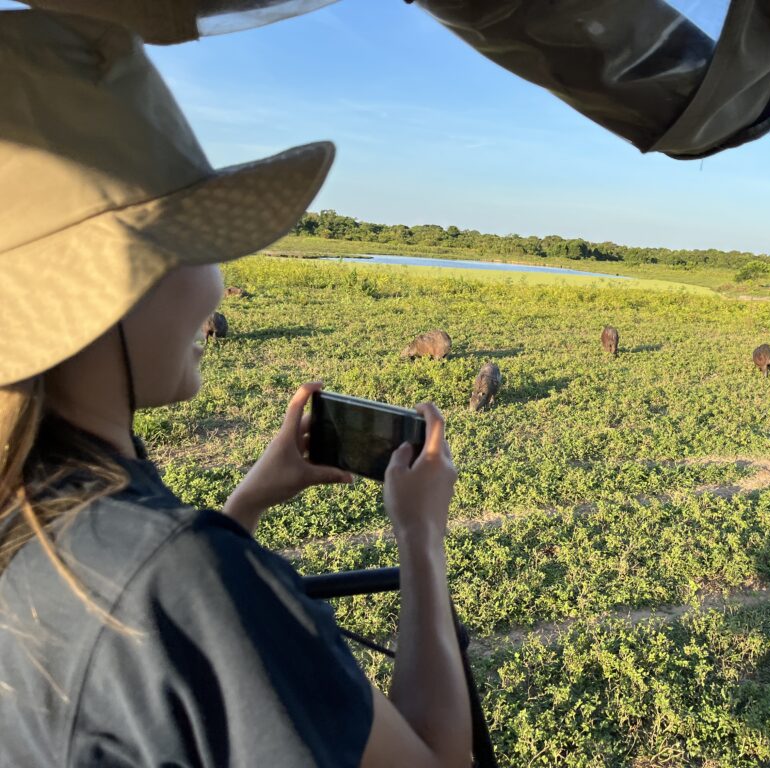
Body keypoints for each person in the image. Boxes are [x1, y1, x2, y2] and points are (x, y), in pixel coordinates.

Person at [0, 9, 470, 767]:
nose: (218, 287)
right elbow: (439, 759)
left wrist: (242, 507)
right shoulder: (176, 575)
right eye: (197, 241)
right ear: (106, 285)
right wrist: (420, 536)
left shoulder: (38, 515)